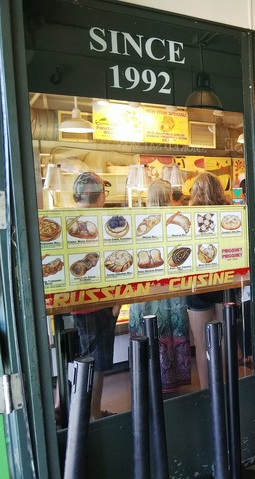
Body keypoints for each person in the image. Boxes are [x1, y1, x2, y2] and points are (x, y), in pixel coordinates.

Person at [129, 180, 191, 393]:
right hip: (171, 288)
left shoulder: (138, 222)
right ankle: (172, 379)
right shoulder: (175, 222)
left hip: (144, 289)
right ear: (168, 197)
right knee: (171, 329)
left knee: (147, 331)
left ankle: (146, 380)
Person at [70, 172, 119, 420]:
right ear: (98, 195)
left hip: (77, 303)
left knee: (84, 359)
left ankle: (79, 411)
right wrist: (118, 300)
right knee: (95, 362)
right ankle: (93, 415)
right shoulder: (99, 223)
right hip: (97, 303)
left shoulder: (69, 222)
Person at [187, 172, 230, 389]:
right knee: (224, 338)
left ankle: (207, 389)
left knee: (202, 342)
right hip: (225, 280)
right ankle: (225, 386)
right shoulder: (228, 213)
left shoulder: (189, 216)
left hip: (198, 282)